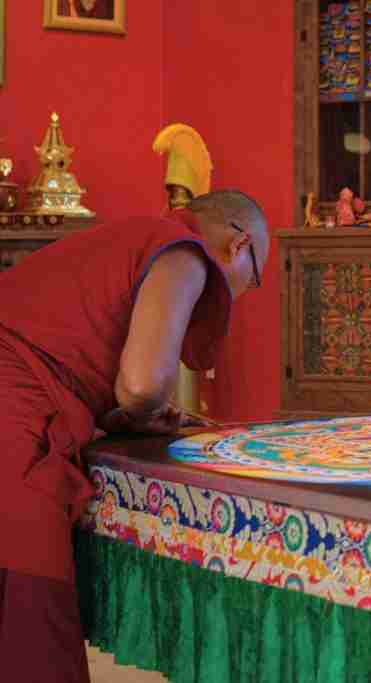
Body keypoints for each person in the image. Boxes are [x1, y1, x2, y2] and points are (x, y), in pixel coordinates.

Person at [0, 190, 268, 682]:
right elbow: (142, 384)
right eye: (252, 281)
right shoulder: (183, 252)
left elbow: (85, 359)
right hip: (11, 411)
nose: (239, 297)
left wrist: (129, 413)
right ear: (239, 244)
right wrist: (143, 408)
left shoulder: (131, 235)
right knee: (30, 618)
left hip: (21, 391)